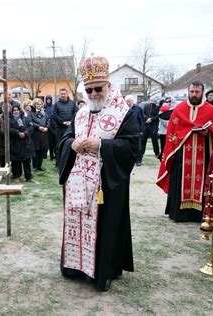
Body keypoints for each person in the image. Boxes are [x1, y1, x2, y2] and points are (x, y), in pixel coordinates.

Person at [59, 55, 139, 291]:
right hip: (78, 182)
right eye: (89, 89)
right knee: (78, 223)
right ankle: (75, 267)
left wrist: (102, 145)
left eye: (98, 89)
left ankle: (103, 270)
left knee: (106, 227)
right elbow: (65, 139)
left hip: (107, 185)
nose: (94, 94)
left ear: (108, 86)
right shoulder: (81, 113)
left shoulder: (124, 112)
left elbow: (131, 146)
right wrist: (71, 144)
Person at [157, 81, 213, 222]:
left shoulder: (211, 110)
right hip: (181, 155)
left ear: (202, 92)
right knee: (179, 180)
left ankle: (199, 214)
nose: (194, 95)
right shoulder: (179, 109)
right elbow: (172, 132)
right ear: (188, 92)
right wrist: (186, 133)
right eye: (192, 92)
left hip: (203, 155)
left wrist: (208, 132)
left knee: (202, 181)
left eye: (197, 92)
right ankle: (179, 214)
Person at [7, 104, 34, 181]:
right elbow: (8, 129)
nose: (16, 112)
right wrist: (17, 133)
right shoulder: (9, 119)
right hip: (15, 143)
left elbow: (31, 127)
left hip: (26, 143)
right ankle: (16, 176)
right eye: (14, 110)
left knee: (27, 161)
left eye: (17, 110)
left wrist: (25, 133)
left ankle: (29, 177)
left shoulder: (25, 118)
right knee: (16, 162)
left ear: (20, 110)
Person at [52, 88, 77, 168]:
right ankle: (58, 164)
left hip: (70, 128)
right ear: (59, 95)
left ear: (67, 94)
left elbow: (76, 113)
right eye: (61, 94)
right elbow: (54, 115)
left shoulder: (73, 104)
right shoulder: (56, 104)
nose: (63, 95)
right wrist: (63, 122)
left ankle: (70, 163)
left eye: (64, 93)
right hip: (60, 128)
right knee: (59, 145)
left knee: (71, 144)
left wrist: (71, 122)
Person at [29, 98, 49, 171]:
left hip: (43, 135)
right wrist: (38, 127)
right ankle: (34, 166)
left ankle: (39, 166)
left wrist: (47, 127)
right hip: (35, 134)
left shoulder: (44, 113)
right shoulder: (31, 113)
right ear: (34, 105)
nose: (39, 105)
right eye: (37, 104)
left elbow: (48, 121)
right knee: (35, 150)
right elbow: (30, 122)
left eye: (40, 104)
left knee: (42, 150)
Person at [125, 95, 145, 166]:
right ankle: (130, 160)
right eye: (126, 102)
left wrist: (142, 130)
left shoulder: (138, 109)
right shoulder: (124, 108)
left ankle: (138, 160)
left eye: (129, 102)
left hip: (137, 130)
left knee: (138, 146)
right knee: (128, 146)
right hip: (127, 130)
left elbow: (142, 120)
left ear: (132, 101)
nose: (127, 103)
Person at [138, 97, 160, 163]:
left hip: (153, 126)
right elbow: (143, 113)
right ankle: (141, 155)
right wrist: (146, 118)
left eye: (154, 100)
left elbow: (158, 116)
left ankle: (157, 153)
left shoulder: (157, 107)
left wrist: (151, 119)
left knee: (155, 141)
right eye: (151, 100)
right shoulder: (146, 106)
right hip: (146, 125)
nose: (152, 101)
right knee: (143, 141)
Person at [44, 94, 57, 161]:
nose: (48, 100)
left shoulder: (54, 106)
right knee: (49, 142)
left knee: (54, 141)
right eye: (47, 99)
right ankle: (51, 156)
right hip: (46, 126)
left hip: (53, 125)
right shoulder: (44, 107)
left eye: (49, 99)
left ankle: (55, 155)